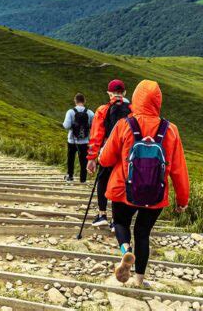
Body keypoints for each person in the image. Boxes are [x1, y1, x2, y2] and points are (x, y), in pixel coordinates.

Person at [99, 80, 189, 287]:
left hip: (124, 189)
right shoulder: (171, 130)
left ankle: (125, 251)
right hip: (155, 195)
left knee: (121, 223)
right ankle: (139, 279)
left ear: (137, 99)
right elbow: (178, 169)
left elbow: (106, 160)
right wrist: (182, 200)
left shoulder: (124, 124)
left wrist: (100, 154)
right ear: (158, 101)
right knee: (143, 233)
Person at [87, 79, 131, 228]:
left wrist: (92, 158)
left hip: (107, 152)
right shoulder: (133, 109)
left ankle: (102, 215)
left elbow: (96, 135)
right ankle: (115, 220)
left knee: (103, 181)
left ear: (109, 93)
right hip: (125, 154)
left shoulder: (102, 110)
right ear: (124, 93)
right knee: (120, 183)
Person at [63, 93, 94, 183]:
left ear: (75, 101)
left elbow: (66, 126)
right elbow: (94, 126)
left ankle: (70, 176)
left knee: (71, 158)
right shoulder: (90, 112)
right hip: (85, 141)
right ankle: (83, 179)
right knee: (83, 160)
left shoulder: (70, 112)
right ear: (84, 101)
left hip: (72, 140)